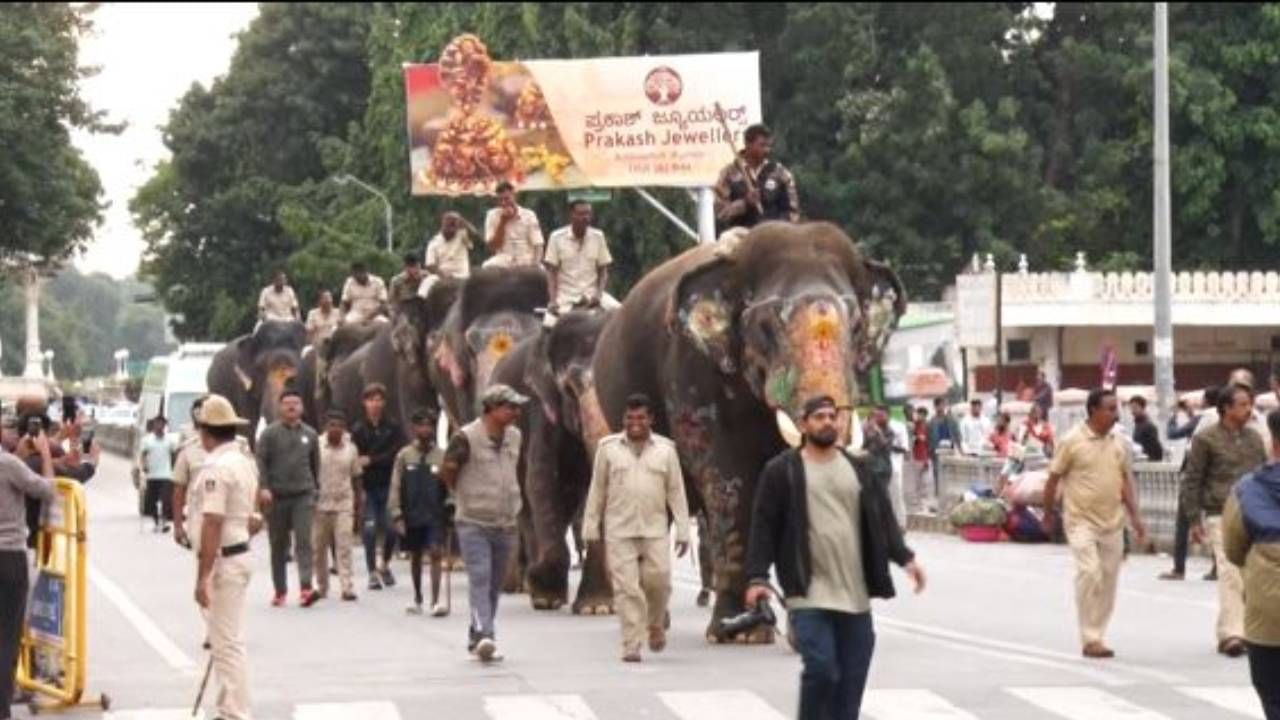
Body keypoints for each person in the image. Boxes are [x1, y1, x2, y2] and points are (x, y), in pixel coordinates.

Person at [745, 395, 925, 720]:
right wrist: (758, 577)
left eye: (832, 416)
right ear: (803, 425)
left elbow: (882, 517)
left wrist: (905, 558)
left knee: (852, 682)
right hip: (808, 593)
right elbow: (763, 526)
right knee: (822, 667)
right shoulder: (781, 472)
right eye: (819, 417)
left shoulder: (858, 468)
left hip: (854, 596)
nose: (828, 422)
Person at [582, 394, 690, 663]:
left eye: (641, 418)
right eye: (630, 418)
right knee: (627, 588)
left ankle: (654, 623)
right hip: (619, 529)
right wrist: (590, 528)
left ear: (650, 419)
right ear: (623, 420)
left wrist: (684, 529)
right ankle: (631, 643)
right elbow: (597, 490)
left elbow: (676, 492)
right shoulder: (608, 449)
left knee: (660, 582)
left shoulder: (666, 450)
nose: (635, 423)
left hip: (655, 529)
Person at [1042, 387, 1147, 659]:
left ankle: (1098, 634)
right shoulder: (1072, 440)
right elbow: (1053, 478)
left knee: (1109, 580)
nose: (1115, 414)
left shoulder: (1118, 442)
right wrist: (1048, 512)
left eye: (1116, 409)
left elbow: (1125, 480)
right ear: (1093, 411)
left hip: (1112, 522)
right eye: (1110, 409)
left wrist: (1135, 516)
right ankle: (1090, 637)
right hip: (1080, 521)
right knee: (1090, 572)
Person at [439, 383, 527, 662]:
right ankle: (486, 633)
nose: (515, 412)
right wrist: (460, 495)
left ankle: (476, 633)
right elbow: (448, 472)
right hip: (473, 521)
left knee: (493, 585)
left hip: (505, 521)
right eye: (509, 407)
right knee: (480, 577)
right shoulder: (465, 438)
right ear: (491, 409)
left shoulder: (515, 437)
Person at [188, 394, 261, 720]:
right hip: (238, 552)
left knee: (227, 644)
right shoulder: (244, 462)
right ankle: (229, 707)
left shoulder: (218, 468)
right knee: (226, 641)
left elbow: (213, 522)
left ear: (206, 432)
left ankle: (234, 713)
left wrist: (202, 576)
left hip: (225, 559)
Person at [1182, 382, 1267, 657]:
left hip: (1253, 515)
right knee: (1229, 572)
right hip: (1220, 513)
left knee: (1250, 574)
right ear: (1225, 408)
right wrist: (1194, 520)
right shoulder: (1205, 439)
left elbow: (1263, 476)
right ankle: (1232, 634)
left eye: (1249, 403)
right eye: (1242, 404)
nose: (1248, 409)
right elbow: (1192, 480)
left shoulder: (1254, 439)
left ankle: (1246, 629)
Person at [1223, 409, 1280, 720]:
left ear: (1273, 440)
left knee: (1273, 697)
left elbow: (1233, 548)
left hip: (1268, 618)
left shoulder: (1248, 489)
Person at [1, 424, 53, 720]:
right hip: (8, 557)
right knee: (7, 635)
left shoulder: (11, 463)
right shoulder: (8, 465)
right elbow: (46, 490)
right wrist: (44, 454)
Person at [255, 389, 321, 608]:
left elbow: (315, 465)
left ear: (302, 407)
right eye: (287, 403)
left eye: (296, 403)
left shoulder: (310, 435)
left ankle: (305, 588)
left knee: (304, 542)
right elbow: (261, 462)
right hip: (277, 496)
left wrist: (315, 490)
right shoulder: (269, 434)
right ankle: (280, 590)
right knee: (279, 546)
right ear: (279, 407)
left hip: (303, 495)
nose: (291, 407)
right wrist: (263, 488)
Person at [390, 408, 450, 617]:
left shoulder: (442, 456)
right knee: (415, 556)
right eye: (421, 425)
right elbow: (395, 486)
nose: (425, 429)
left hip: (435, 514)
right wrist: (396, 513)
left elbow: (450, 484)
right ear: (414, 428)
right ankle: (417, 598)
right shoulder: (404, 456)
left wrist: (451, 505)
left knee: (435, 552)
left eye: (429, 425)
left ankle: (435, 601)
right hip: (412, 513)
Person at [1160, 386, 1218, 581]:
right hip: (1215, 476)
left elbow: (1174, 433)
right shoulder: (1224, 419)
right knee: (1216, 522)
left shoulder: (1204, 417)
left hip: (1195, 475)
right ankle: (1217, 566)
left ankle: (1179, 568)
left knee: (1183, 522)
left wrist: (1175, 415)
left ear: (1207, 401)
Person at [351, 383, 405, 591]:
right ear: (365, 403)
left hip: (389, 486)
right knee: (370, 529)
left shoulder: (392, 427)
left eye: (379, 399)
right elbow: (356, 459)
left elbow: (395, 455)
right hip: (368, 487)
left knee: (392, 529)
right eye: (371, 399)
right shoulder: (358, 429)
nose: (375, 403)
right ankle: (372, 571)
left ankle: (385, 564)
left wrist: (372, 459)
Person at [712, 123, 800, 234]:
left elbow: (793, 212)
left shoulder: (780, 173)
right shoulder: (728, 174)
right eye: (762, 145)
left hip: (774, 237)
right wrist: (744, 203)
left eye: (769, 146)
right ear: (747, 144)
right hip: (739, 236)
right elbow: (720, 214)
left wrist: (779, 229)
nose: (767, 150)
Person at [312, 410, 362, 602]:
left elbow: (357, 477)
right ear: (326, 427)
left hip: (343, 503)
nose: (336, 429)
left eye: (340, 426)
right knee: (319, 548)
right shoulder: (316, 446)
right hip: (320, 503)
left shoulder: (351, 449)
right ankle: (322, 586)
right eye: (332, 425)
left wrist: (358, 505)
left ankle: (347, 586)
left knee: (344, 546)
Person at [544, 200, 614, 318]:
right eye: (581, 214)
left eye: (588, 214)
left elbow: (603, 270)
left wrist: (598, 294)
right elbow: (552, 273)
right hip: (566, 298)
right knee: (549, 324)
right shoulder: (556, 237)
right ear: (571, 215)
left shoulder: (598, 236)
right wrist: (553, 300)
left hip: (592, 295)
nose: (585, 217)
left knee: (621, 313)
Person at [483, 181, 544, 268]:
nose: (503, 203)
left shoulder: (529, 215)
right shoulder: (492, 215)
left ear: (514, 196)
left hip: (526, 258)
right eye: (500, 200)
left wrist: (535, 264)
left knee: (541, 272)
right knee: (486, 267)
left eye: (507, 199)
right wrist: (503, 221)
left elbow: (538, 244)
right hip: (503, 258)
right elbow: (492, 246)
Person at [138, 415, 177, 533]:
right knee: (152, 501)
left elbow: (174, 454)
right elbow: (143, 455)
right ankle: (156, 522)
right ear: (154, 425)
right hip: (152, 475)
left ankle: (164, 522)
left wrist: (175, 469)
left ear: (165, 426)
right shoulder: (147, 440)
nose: (159, 426)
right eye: (157, 423)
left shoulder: (170, 440)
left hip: (166, 474)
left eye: (161, 424)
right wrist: (143, 466)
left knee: (166, 499)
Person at [424, 211, 477, 281]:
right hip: (441, 276)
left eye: (454, 225)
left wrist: (464, 222)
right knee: (428, 282)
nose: (452, 228)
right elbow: (430, 265)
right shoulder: (434, 242)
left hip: (462, 275)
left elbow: (474, 234)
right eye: (449, 224)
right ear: (443, 224)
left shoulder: (462, 235)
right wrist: (443, 275)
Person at [927, 397, 960, 490]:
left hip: (950, 450)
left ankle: (951, 490)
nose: (941, 407)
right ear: (935, 407)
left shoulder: (951, 420)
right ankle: (938, 491)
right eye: (938, 405)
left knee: (951, 472)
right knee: (937, 472)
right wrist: (929, 452)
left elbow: (957, 435)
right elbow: (928, 438)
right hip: (936, 452)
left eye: (943, 405)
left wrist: (960, 450)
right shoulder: (931, 422)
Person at [905, 406, 931, 518]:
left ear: (925, 415)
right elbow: (910, 437)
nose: (919, 416)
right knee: (916, 481)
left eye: (921, 414)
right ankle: (917, 505)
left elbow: (928, 442)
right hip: (916, 456)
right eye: (918, 414)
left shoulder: (928, 426)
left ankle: (923, 504)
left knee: (924, 482)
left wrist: (927, 459)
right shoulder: (914, 425)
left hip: (925, 456)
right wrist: (916, 437)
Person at [1128, 395, 1164, 461]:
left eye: (1135, 408)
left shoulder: (1148, 426)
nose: (1132, 411)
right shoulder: (1138, 424)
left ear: (1143, 408)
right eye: (1131, 408)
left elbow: (1157, 449)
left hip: (1148, 464)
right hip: (1141, 462)